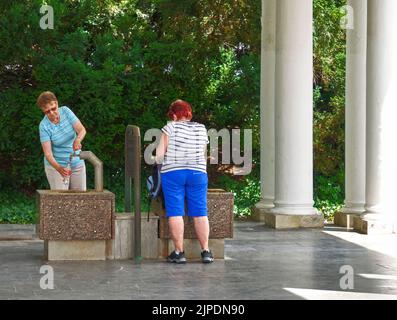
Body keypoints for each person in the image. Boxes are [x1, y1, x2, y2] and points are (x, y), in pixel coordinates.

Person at [156, 99, 213, 264]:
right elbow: (203, 154)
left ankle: (179, 253)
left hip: (174, 173)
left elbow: (160, 154)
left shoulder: (170, 126)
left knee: (175, 211)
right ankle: (206, 251)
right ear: (189, 114)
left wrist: (154, 159)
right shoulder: (201, 128)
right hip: (198, 173)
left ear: (173, 115)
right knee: (201, 212)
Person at [37, 91, 87, 191]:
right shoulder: (44, 126)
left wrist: (77, 140)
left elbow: (82, 130)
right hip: (56, 166)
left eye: (53, 109)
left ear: (56, 103)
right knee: (60, 202)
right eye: (47, 111)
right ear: (43, 111)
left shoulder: (66, 111)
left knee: (81, 199)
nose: (51, 113)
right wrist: (59, 168)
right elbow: (48, 154)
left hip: (77, 162)